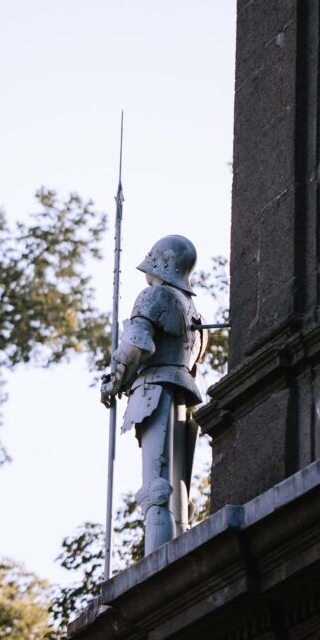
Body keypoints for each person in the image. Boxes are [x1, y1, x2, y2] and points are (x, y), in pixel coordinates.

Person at [101, 235, 209, 555]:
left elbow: (138, 343)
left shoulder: (154, 295)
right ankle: (177, 554)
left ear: (160, 262)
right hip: (184, 393)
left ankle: (157, 561)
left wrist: (115, 380)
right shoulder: (194, 311)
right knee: (179, 490)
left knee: (156, 486)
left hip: (154, 390)